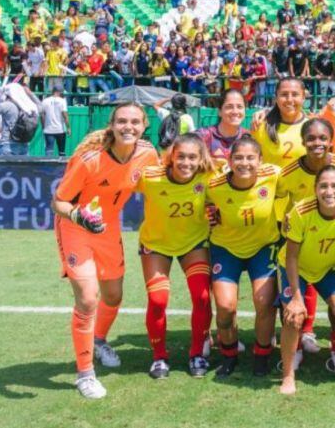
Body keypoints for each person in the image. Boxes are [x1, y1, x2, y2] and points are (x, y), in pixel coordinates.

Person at [51, 102, 160, 399]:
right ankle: (85, 374)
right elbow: (58, 202)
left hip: (108, 228)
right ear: (112, 125)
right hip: (76, 227)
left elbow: (157, 187)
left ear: (144, 125)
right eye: (122, 121)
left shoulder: (148, 154)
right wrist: (79, 216)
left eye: (135, 122)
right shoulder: (89, 159)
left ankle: (98, 340)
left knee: (113, 296)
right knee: (88, 299)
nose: (129, 127)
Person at [275, 117, 335, 359]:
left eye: (323, 138)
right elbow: (274, 196)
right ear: (302, 141)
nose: (317, 143)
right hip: (299, 242)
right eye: (311, 138)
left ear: (331, 141)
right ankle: (295, 350)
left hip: (333, 246)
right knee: (291, 303)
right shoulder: (289, 173)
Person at [277, 165, 335, 394]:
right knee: (294, 317)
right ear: (315, 189)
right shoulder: (301, 211)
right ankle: (288, 375)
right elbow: (291, 257)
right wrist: (297, 298)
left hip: (328, 267)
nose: (329, 191)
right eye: (323, 186)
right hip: (297, 268)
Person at [135, 135, 213, 379]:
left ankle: (197, 353)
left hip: (194, 244)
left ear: (201, 159)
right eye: (181, 157)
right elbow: (119, 181)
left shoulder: (209, 177)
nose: (186, 163)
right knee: (157, 301)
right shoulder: (150, 177)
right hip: (156, 245)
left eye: (192, 157)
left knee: (202, 297)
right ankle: (159, 357)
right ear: (171, 157)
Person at [205, 138, 282, 379]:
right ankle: (229, 355)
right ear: (229, 160)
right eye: (238, 157)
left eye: (251, 158)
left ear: (260, 160)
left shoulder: (274, 175)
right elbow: (200, 203)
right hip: (226, 248)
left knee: (264, 303)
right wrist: (209, 213)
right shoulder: (214, 185)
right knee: (225, 307)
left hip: (263, 247)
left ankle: (262, 355)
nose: (244, 163)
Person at [251, 77, 309, 168]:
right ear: (276, 98)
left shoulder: (312, 127)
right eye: (284, 94)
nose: (289, 99)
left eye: (295, 94)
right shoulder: (260, 125)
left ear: (303, 97)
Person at [195, 89, 251, 170]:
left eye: (239, 107)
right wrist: (208, 162)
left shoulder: (249, 138)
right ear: (219, 111)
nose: (235, 111)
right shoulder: (203, 136)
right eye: (229, 107)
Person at [0, 82, 40, 156]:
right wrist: (31, 94)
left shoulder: (7, 105)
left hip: (8, 144)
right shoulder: (30, 106)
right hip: (24, 144)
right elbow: (41, 107)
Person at [40, 83, 70, 157]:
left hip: (48, 130)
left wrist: (43, 127)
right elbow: (65, 115)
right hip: (60, 130)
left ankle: (47, 165)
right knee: (61, 152)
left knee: (49, 151)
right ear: (59, 92)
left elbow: (42, 115)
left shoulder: (45, 101)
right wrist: (68, 128)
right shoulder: (62, 101)